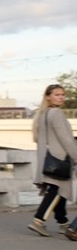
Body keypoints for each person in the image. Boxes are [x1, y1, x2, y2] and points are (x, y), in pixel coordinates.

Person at [28, 84, 77, 238]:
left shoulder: (43, 113)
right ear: (48, 97)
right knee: (57, 191)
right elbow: (66, 139)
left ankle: (63, 222)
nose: (61, 97)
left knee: (58, 191)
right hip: (59, 158)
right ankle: (38, 220)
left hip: (49, 158)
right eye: (57, 94)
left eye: (62, 94)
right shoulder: (56, 113)